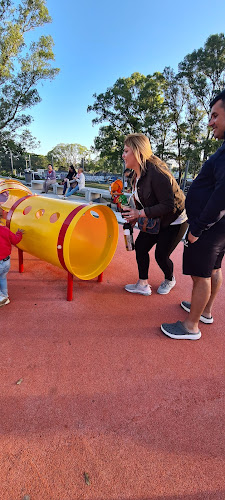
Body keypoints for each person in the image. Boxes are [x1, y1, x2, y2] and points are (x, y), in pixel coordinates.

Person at [161, 89, 225, 340]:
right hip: (217, 229)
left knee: (201, 276)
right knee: (214, 268)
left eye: (215, 116)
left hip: (208, 227)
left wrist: (197, 230)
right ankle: (205, 311)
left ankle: (191, 326)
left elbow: (221, 197)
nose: (210, 122)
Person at [122, 133, 188, 296]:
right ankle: (143, 284)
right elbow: (141, 200)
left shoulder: (157, 173)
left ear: (137, 152)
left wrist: (140, 213)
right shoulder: (135, 176)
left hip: (175, 220)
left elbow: (168, 205)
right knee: (141, 247)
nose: (123, 155)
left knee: (161, 255)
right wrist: (134, 216)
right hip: (157, 217)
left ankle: (169, 278)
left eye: (126, 151)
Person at [0, 208, 24, 306]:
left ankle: (1, 297)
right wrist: (19, 233)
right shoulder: (5, 230)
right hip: (6, 262)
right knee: (2, 278)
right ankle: (5, 296)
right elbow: (15, 240)